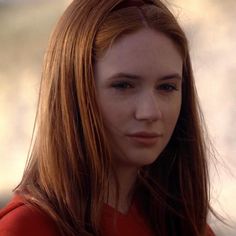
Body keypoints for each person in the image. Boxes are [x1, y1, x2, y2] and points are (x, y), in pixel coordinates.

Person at [0, 0, 216, 235]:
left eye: (166, 87)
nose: (150, 112)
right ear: (74, 92)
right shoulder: (25, 228)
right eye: (123, 85)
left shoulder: (188, 227)